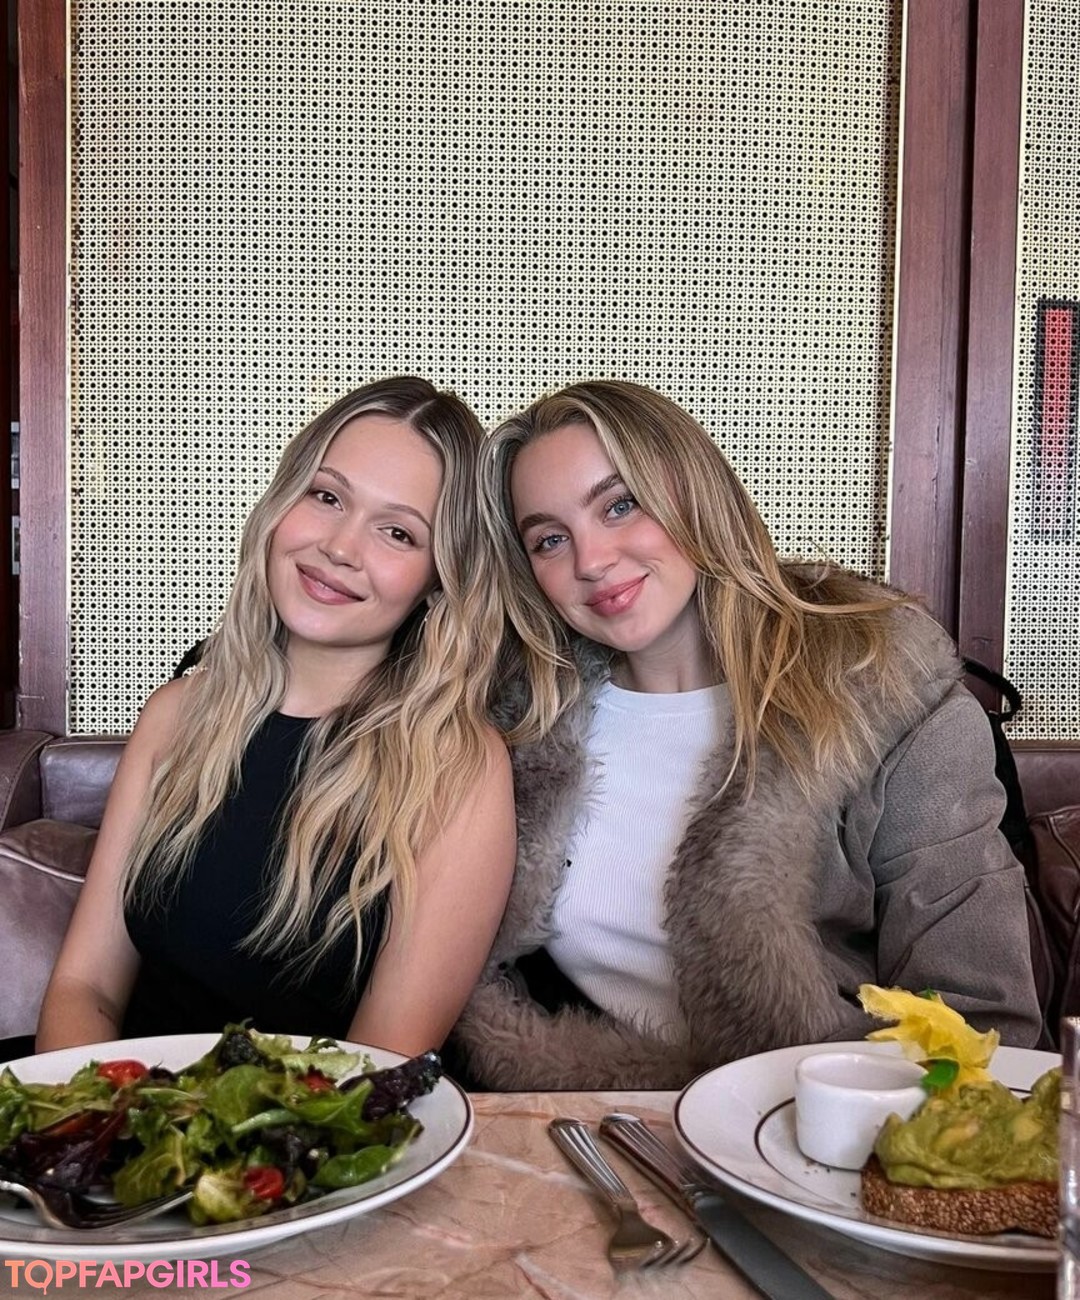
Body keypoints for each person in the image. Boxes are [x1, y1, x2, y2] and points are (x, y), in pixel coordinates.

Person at [450, 379, 1042, 1090]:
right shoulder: (519, 724)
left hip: (832, 1122)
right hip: (590, 1114)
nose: (591, 560)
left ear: (694, 493)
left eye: (620, 505)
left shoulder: (882, 691)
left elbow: (985, 1025)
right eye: (550, 539)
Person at [38, 377, 515, 1057]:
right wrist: (107, 1111)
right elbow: (84, 987)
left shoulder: (458, 765)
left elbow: (384, 1063)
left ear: (439, 580)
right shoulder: (177, 715)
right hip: (126, 1101)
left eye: (398, 533)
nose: (341, 547)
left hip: (315, 1119)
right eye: (327, 497)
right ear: (281, 504)